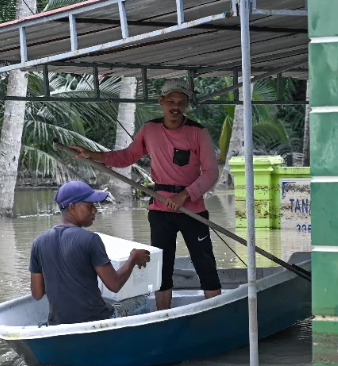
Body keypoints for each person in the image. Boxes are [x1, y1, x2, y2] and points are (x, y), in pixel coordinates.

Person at [68, 79, 220, 310]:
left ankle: (217, 310)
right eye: (170, 101)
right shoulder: (150, 129)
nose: (175, 106)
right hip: (160, 209)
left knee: (204, 262)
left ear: (187, 104)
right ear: (161, 102)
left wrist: (185, 195)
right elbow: (126, 157)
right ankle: (162, 315)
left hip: (192, 209)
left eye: (181, 102)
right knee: (162, 265)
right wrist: (92, 155)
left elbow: (211, 173)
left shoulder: (198, 132)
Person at [29, 180, 151, 326]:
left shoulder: (38, 243)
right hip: (97, 321)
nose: (95, 210)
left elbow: (37, 293)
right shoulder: (90, 239)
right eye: (90, 206)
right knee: (143, 301)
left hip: (57, 324)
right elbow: (114, 284)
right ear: (72, 207)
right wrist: (133, 258)